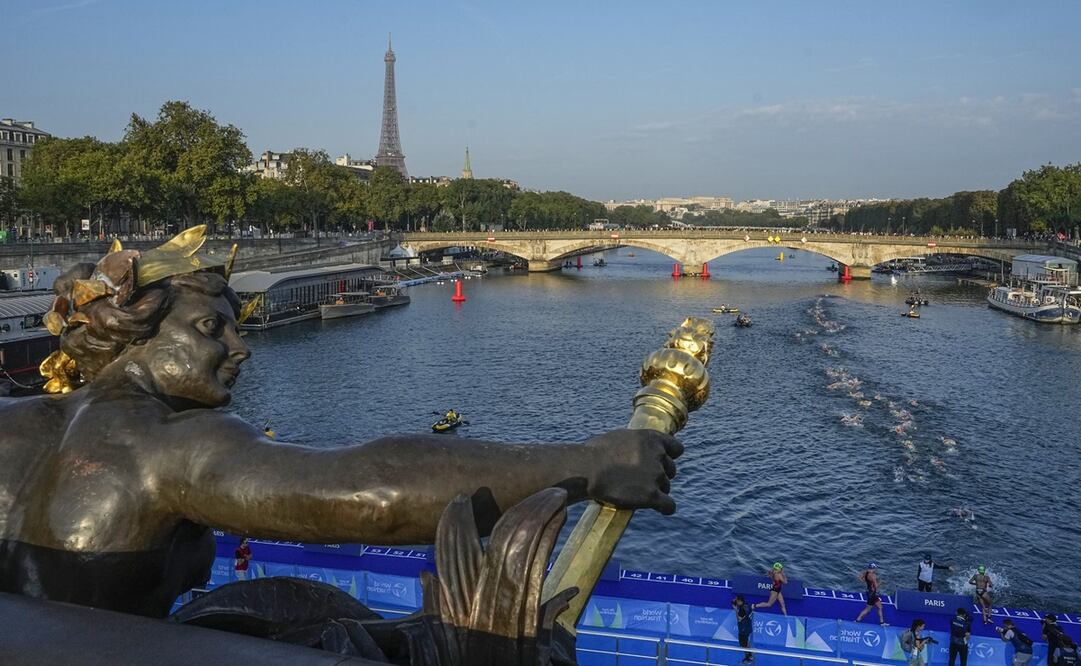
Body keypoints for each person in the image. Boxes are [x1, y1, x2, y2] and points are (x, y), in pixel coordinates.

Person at [0, 227, 683, 618]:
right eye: (211, 329)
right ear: (136, 334)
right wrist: (590, 464)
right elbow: (371, 494)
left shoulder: (18, 421)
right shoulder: (165, 444)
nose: (239, 349)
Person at [733, 594, 754, 663]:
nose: (736, 602)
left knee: (744, 644)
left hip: (743, 629)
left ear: (739, 601)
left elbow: (739, 619)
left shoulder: (741, 609)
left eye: (737, 601)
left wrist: (736, 610)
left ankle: (748, 658)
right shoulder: (747, 605)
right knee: (747, 642)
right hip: (748, 627)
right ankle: (750, 655)